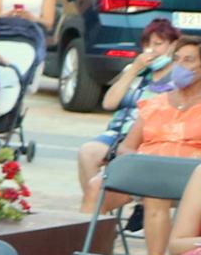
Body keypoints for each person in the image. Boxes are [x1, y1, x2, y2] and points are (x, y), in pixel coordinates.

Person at [85, 38, 201, 255]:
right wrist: (135, 163)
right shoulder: (155, 103)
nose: (179, 66)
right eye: (176, 59)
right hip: (146, 170)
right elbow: (127, 145)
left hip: (189, 178)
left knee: (155, 191)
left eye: (188, 61)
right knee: (95, 187)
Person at [78, 19, 187, 209]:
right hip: (120, 132)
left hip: (152, 137)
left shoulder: (180, 76)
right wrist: (134, 70)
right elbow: (108, 103)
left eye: (158, 44)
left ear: (173, 46)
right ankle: (97, 207)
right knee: (87, 152)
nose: (150, 50)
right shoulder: (135, 71)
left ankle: (115, 203)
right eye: (147, 44)